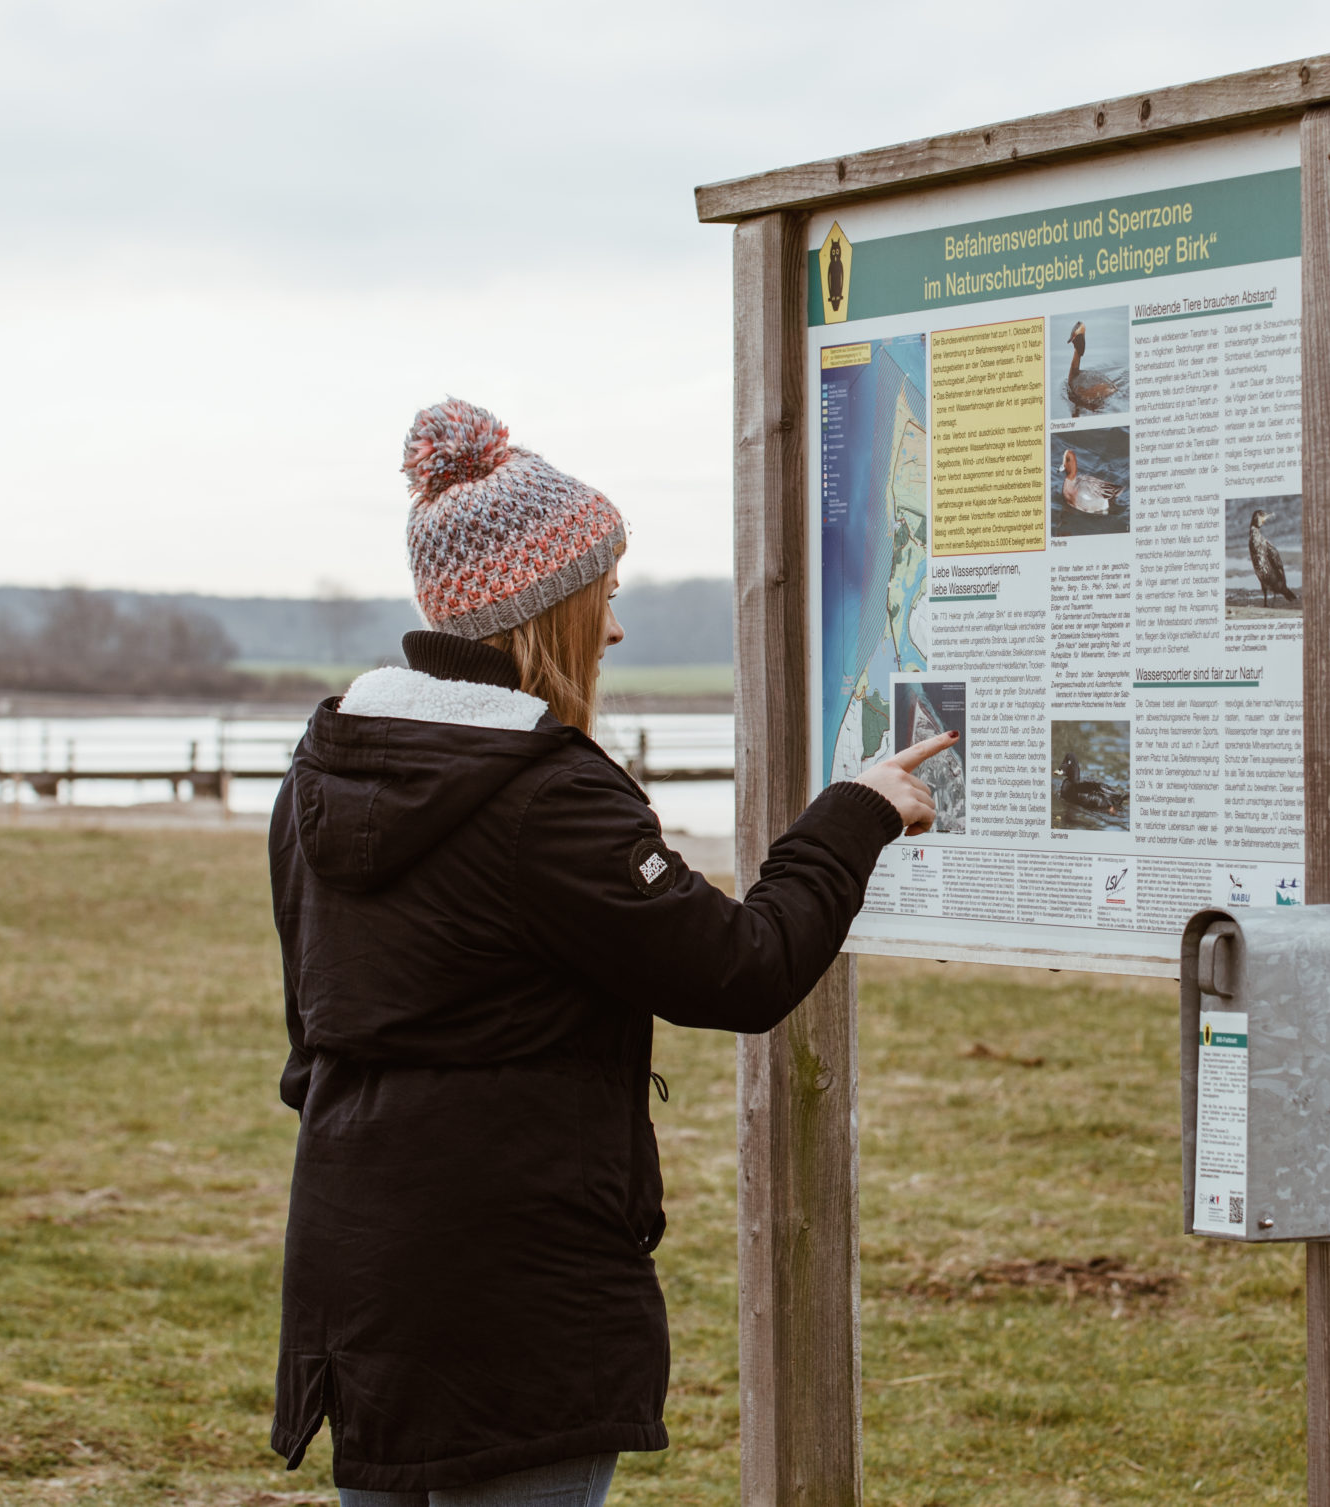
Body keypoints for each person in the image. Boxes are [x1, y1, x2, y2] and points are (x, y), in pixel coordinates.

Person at [268, 398, 951, 1507]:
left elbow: (317, 1017)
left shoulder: (323, 770)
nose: (619, 627)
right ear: (548, 608)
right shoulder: (546, 797)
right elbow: (742, 970)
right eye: (609, 595)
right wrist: (855, 812)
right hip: (513, 1273)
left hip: (357, 1256)